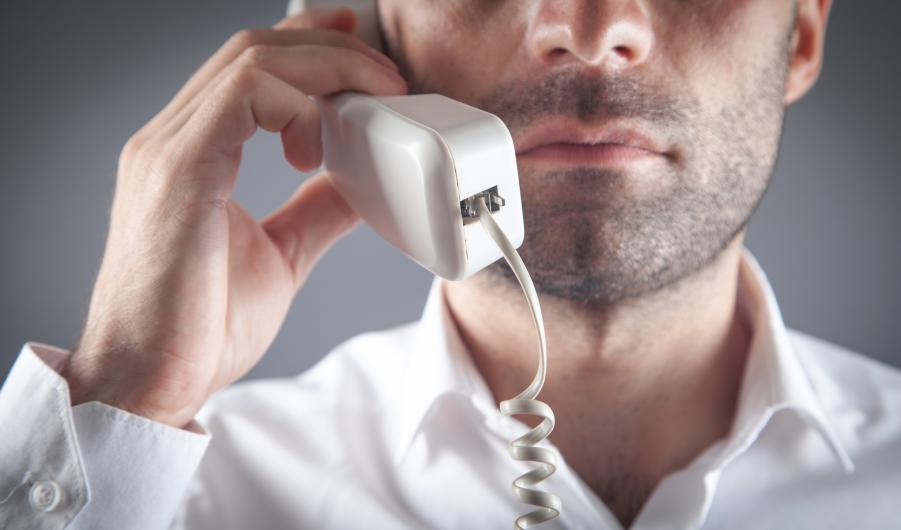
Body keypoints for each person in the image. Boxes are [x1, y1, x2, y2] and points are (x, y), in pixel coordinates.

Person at [1, 1, 899, 529]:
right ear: (362, 33)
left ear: (800, 34)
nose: (593, 31)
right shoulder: (182, 498)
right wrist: (126, 391)